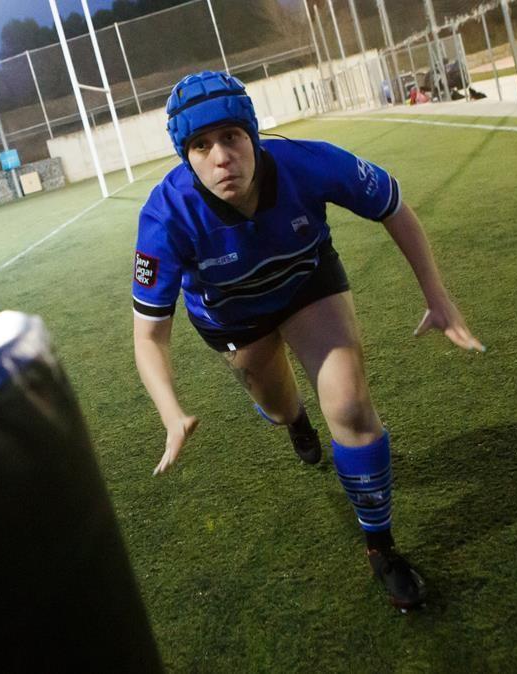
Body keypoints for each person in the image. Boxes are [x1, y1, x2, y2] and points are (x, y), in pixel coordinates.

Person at [131, 71, 484, 611]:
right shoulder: (165, 216)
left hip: (305, 283)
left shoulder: (307, 162)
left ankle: (381, 547)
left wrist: (438, 295)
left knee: (348, 401)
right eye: (201, 145)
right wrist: (170, 413)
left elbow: (394, 207)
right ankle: (295, 420)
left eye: (231, 137)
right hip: (232, 319)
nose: (221, 157)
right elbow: (149, 336)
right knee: (278, 407)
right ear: (186, 156)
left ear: (253, 135)